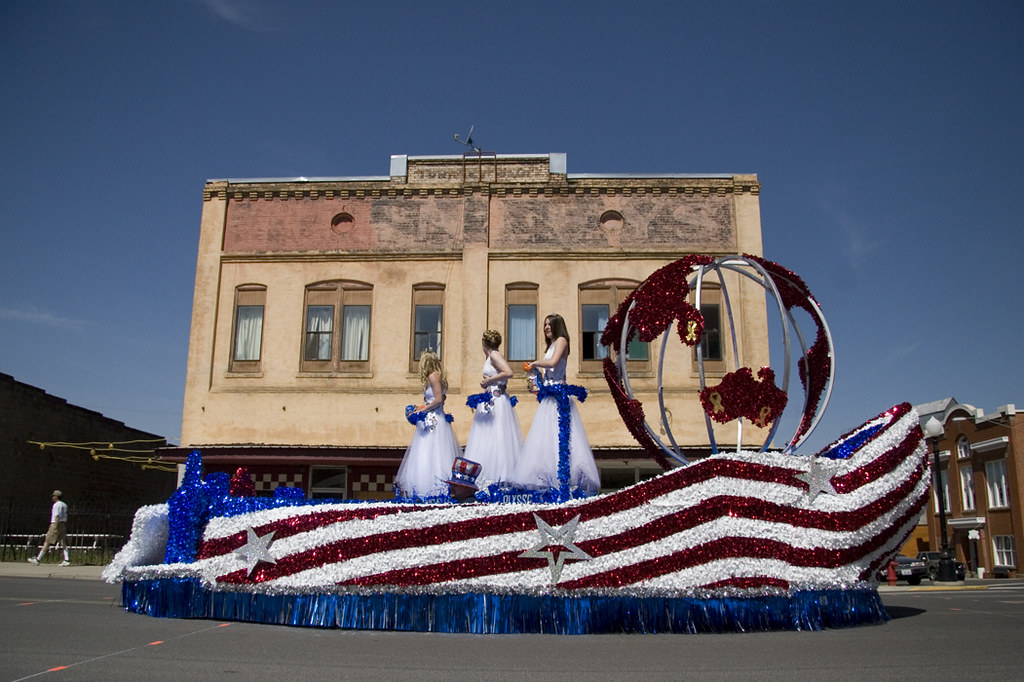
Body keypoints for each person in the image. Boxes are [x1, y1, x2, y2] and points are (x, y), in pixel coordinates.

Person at [511, 313, 600, 493]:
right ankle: (546, 480)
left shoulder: (562, 341)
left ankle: (564, 480)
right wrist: (536, 384)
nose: (546, 328)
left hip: (559, 396)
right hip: (549, 396)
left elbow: (553, 362)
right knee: (545, 438)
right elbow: (547, 371)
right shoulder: (551, 345)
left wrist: (534, 363)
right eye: (545, 325)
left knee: (561, 437)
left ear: (558, 325)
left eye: (550, 324)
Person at [395, 351, 461, 498]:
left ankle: (432, 488)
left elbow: (438, 400)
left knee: (430, 452)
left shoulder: (433, 376)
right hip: (433, 418)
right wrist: (418, 408)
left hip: (434, 421)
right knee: (428, 453)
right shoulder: (437, 377)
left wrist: (423, 410)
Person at [463, 330, 523, 487]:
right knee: (487, 437)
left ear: (484, 343)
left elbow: (509, 372)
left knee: (497, 437)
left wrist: (490, 380)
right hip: (490, 399)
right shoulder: (491, 357)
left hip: (496, 401)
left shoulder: (494, 356)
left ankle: (498, 475)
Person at [28, 490, 70, 566]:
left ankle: (38, 559)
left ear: (56, 496)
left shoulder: (56, 505)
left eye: (53, 496)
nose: (52, 497)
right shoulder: (64, 505)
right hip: (63, 524)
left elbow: (57, 516)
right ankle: (66, 559)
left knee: (47, 541)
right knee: (63, 542)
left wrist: (54, 527)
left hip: (56, 524)